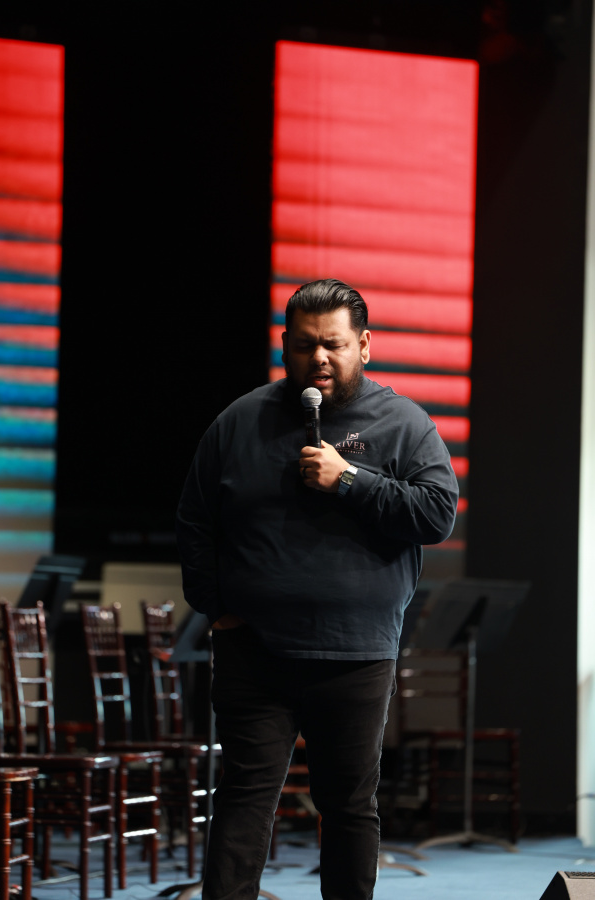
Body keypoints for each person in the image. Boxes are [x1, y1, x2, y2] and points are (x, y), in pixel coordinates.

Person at [176, 278, 459, 900]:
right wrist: (216, 607)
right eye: (305, 345)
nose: (319, 358)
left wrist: (350, 479)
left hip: (356, 653)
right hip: (255, 651)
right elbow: (195, 521)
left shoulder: (404, 423)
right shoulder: (239, 421)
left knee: (349, 805)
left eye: (333, 344)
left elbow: (438, 515)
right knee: (244, 796)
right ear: (285, 346)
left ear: (364, 345)